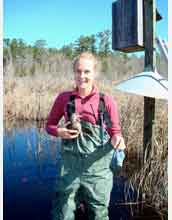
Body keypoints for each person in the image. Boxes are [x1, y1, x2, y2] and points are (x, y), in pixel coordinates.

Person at [46, 52, 126, 220]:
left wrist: (118, 139)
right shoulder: (64, 99)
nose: (82, 76)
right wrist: (59, 131)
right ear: (74, 72)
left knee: (98, 213)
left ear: (94, 73)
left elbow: (115, 132)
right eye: (78, 71)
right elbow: (49, 126)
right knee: (63, 211)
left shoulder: (106, 101)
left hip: (98, 172)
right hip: (69, 168)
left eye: (87, 71)